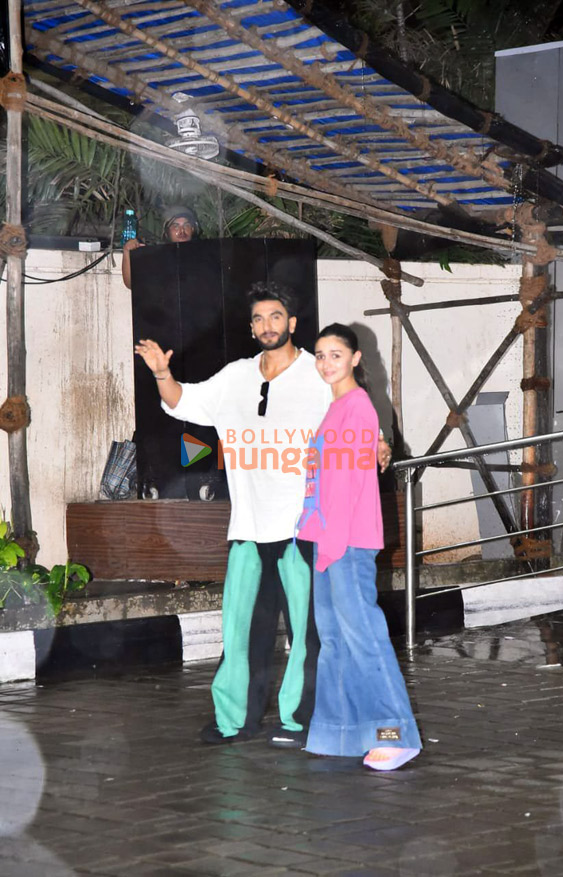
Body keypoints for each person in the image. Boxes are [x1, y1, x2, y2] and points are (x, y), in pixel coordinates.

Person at [134, 285, 391, 747]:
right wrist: (161, 373)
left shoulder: (320, 376)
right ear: (252, 326)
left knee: (307, 634)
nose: (267, 325)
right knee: (238, 631)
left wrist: (380, 442)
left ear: (292, 324)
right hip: (249, 527)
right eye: (258, 318)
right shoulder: (235, 376)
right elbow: (182, 402)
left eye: (276, 317)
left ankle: (299, 720)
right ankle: (234, 720)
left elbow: (354, 417)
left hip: (304, 529)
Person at [297, 323, 421, 771]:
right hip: (326, 540)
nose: (326, 363)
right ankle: (340, 734)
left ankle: (396, 735)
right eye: (320, 355)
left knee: (364, 639)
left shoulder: (357, 407)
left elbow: (349, 487)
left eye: (335, 354)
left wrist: (329, 545)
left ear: (354, 359)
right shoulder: (335, 409)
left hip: (346, 543)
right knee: (333, 641)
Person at [121, 205, 200, 290]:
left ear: (192, 229)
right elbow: (132, 283)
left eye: (186, 225)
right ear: (167, 231)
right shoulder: (156, 257)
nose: (182, 231)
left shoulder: (203, 255)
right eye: (176, 226)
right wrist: (127, 251)